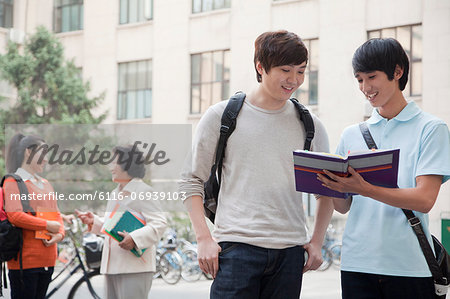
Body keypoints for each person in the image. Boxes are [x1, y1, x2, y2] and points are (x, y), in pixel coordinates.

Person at [180, 30, 334, 298]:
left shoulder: (310, 125)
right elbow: (191, 180)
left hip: (290, 253)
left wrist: (317, 241)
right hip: (236, 249)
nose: (294, 80)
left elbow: (327, 190)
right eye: (286, 70)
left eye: (301, 71)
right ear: (260, 67)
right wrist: (204, 238)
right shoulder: (222, 116)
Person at [317, 38, 450, 299]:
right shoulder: (352, 134)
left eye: (372, 77)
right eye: (359, 79)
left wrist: (364, 188)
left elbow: (424, 200)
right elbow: (343, 207)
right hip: (356, 264)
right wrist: (328, 182)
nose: (365, 87)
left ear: (397, 72)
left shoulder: (431, 129)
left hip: (408, 267)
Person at [76, 145, 167, 299]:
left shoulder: (144, 191)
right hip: (111, 267)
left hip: (135, 268)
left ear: (127, 164)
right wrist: (95, 221)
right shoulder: (114, 193)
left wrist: (134, 238)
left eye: (114, 162)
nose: (110, 167)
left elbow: (159, 223)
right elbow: (112, 224)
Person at [4, 133, 64, 299]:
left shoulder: (46, 184)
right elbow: (15, 215)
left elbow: (56, 215)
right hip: (25, 261)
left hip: (48, 259)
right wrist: (47, 225)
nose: (46, 159)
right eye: (42, 154)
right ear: (28, 152)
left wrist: (59, 234)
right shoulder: (13, 182)